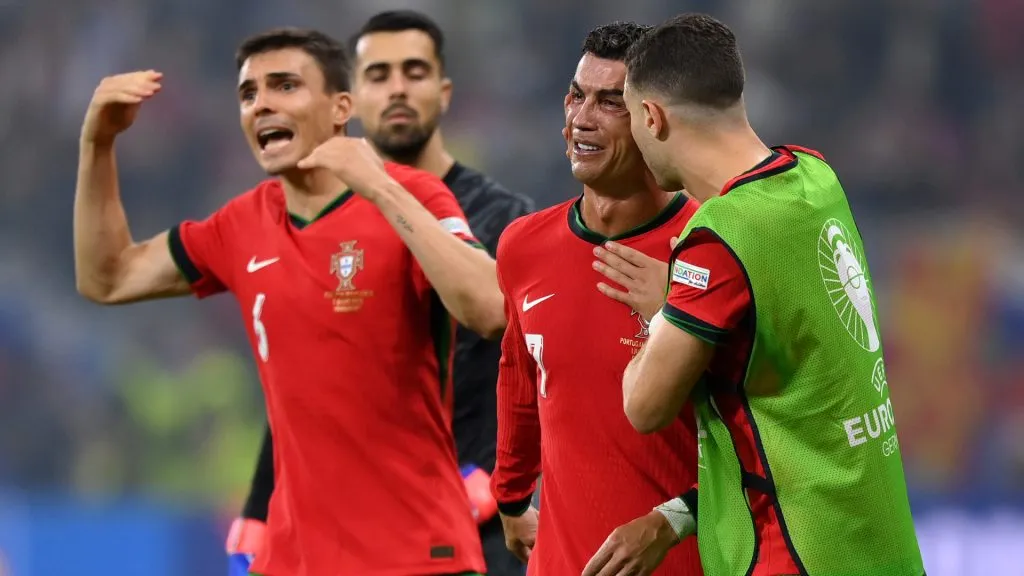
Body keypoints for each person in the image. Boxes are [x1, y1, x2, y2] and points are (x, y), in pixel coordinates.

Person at [74, 27, 504, 576]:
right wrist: (98, 145)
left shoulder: (412, 194)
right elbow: (108, 277)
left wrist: (379, 188)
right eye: (248, 93)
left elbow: (490, 310)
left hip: (417, 553)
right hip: (291, 559)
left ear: (341, 108)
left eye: (284, 86)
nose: (262, 104)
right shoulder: (240, 224)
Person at [586, 13, 926, 576]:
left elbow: (643, 407)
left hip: (796, 554)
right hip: (880, 547)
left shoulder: (719, 239)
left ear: (651, 117)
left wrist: (665, 314)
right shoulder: (816, 177)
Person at [226, 11, 533, 576]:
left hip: (477, 512)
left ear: (443, 92)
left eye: (414, 72)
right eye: (378, 74)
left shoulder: (501, 218)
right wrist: (258, 504)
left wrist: (498, 473)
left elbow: (530, 361)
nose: (397, 89)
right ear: (350, 101)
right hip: (351, 529)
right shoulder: (310, 218)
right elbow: (310, 378)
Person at [490, 21, 704, 576]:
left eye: (610, 102)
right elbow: (520, 376)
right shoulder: (523, 246)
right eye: (576, 96)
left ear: (654, 121)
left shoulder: (711, 247)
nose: (582, 118)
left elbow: (765, 431)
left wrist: (673, 519)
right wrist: (510, 497)